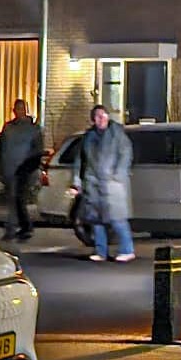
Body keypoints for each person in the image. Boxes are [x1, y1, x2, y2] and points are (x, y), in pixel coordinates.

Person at [75, 104, 136, 262]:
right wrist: (78, 182)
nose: (100, 119)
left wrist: (118, 174)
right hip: (93, 183)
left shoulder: (117, 134)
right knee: (97, 220)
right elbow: (80, 160)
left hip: (112, 184)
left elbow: (126, 154)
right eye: (97, 116)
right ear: (93, 119)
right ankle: (101, 251)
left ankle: (127, 249)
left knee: (117, 219)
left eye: (103, 115)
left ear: (108, 117)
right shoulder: (88, 137)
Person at [0, 99, 46, 242]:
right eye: (16, 109)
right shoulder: (8, 128)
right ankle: (22, 227)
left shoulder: (33, 129)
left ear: (25, 110)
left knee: (17, 198)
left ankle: (15, 228)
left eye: (21, 109)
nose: (19, 112)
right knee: (13, 199)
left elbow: (38, 150)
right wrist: (0, 167)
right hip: (9, 169)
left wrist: (31, 167)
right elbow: (1, 148)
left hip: (24, 169)